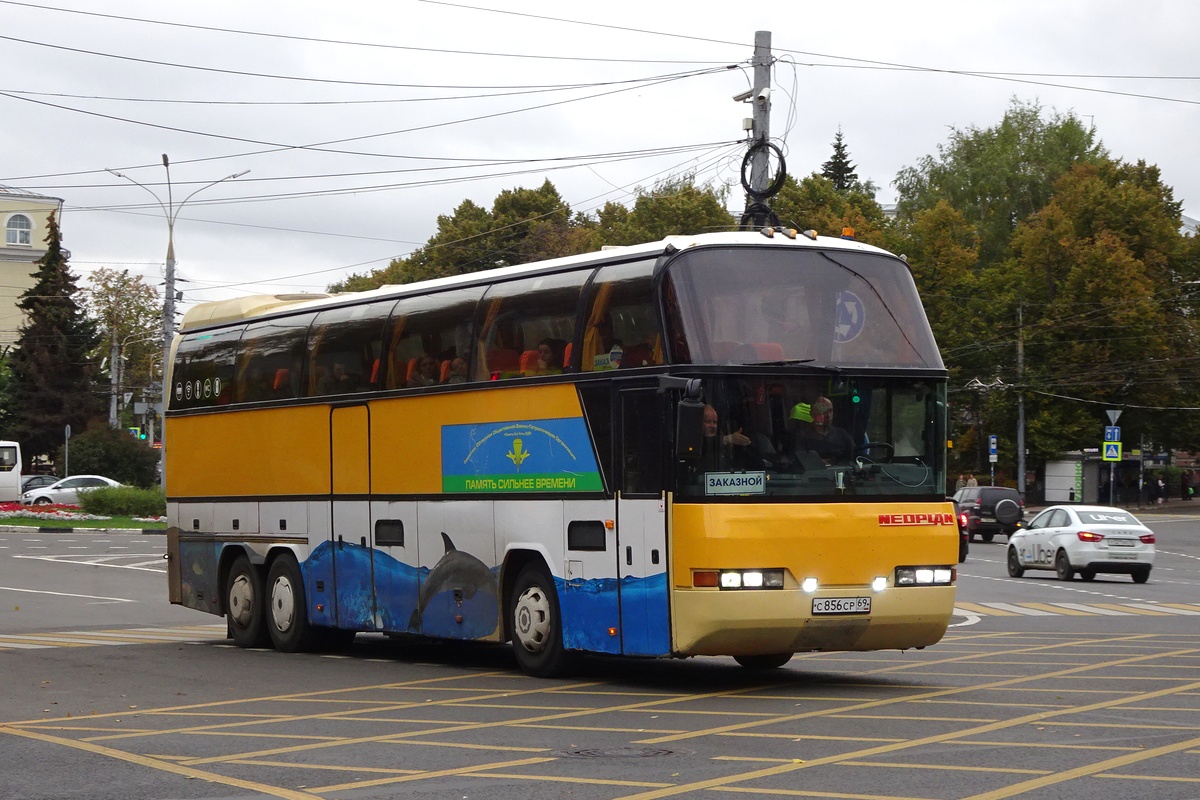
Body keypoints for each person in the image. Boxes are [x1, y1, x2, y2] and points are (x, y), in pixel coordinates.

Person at [789, 396, 855, 465]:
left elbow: (855, 457)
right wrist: (816, 463)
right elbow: (796, 462)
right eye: (823, 411)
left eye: (830, 411)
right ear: (812, 413)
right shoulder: (802, 437)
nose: (828, 415)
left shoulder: (842, 435)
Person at [699, 404, 757, 472]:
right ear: (699, 422)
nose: (712, 426)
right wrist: (728, 439)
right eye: (708, 422)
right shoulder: (694, 442)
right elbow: (704, 445)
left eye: (715, 422)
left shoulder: (728, 447)